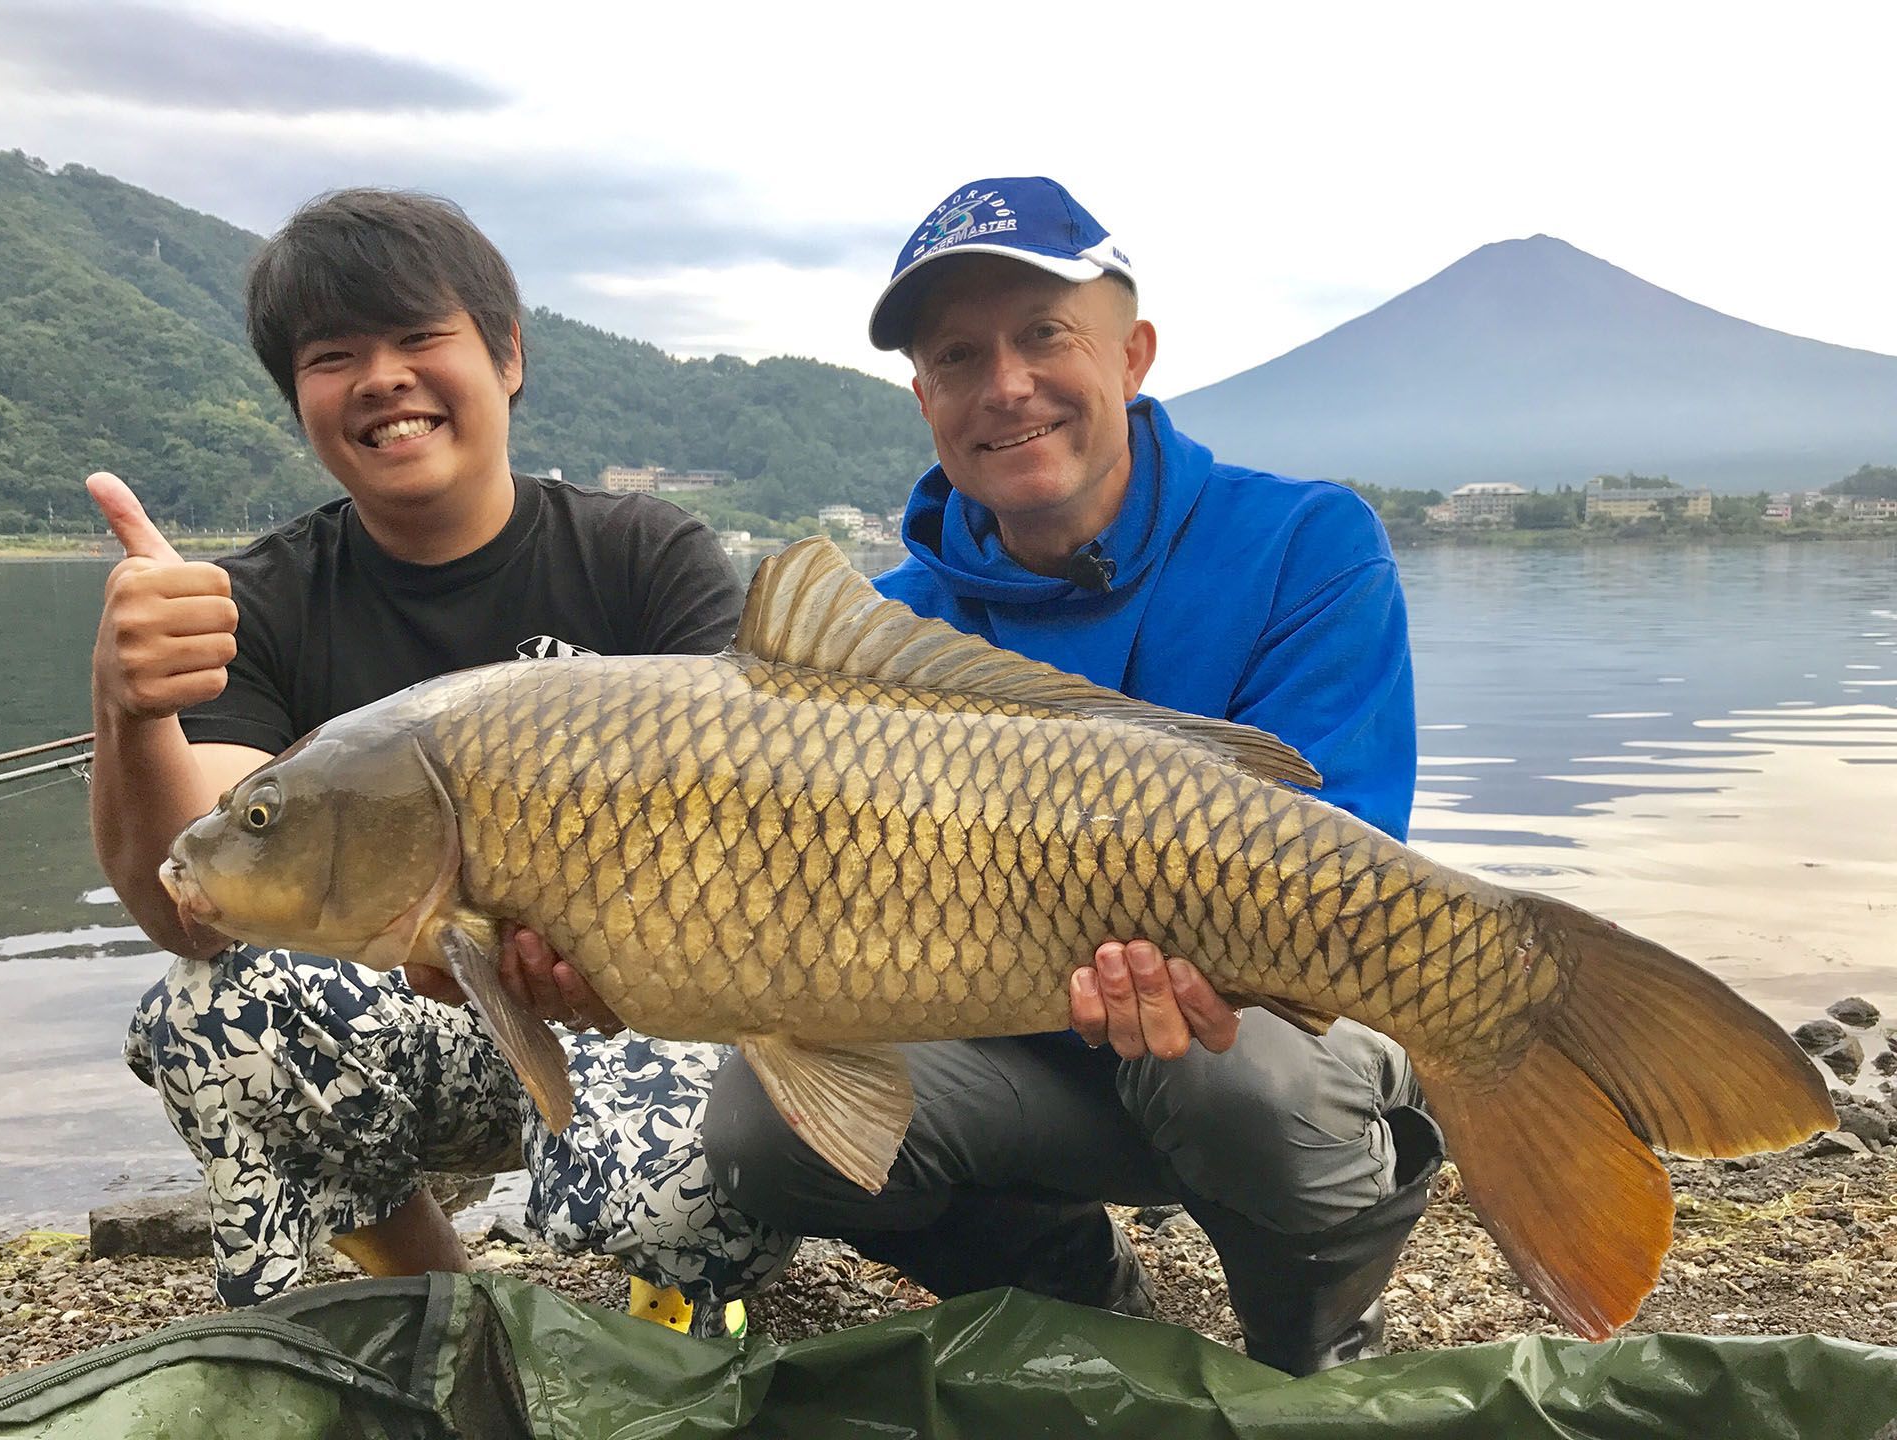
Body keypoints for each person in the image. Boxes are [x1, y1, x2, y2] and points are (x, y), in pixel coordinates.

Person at [696, 176, 1445, 1374]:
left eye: (1045, 334)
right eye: (958, 356)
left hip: (1242, 1039)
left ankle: (1317, 1345)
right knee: (756, 1128)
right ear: (926, 400)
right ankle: (1074, 1294)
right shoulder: (885, 636)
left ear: (1133, 354)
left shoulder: (1307, 541)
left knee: (1240, 1087)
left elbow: (1345, 860)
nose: (1007, 386)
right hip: (1018, 1060)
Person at [88, 188, 794, 1333]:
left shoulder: (642, 552)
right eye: (334, 356)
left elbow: (779, 817)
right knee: (215, 1014)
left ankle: (676, 1293)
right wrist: (128, 709)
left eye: (420, 338)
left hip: (646, 995)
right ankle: (439, 1301)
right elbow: (201, 902)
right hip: (432, 1023)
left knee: (714, 1104)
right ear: (300, 399)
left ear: (507, 357)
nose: (384, 378)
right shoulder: (258, 601)